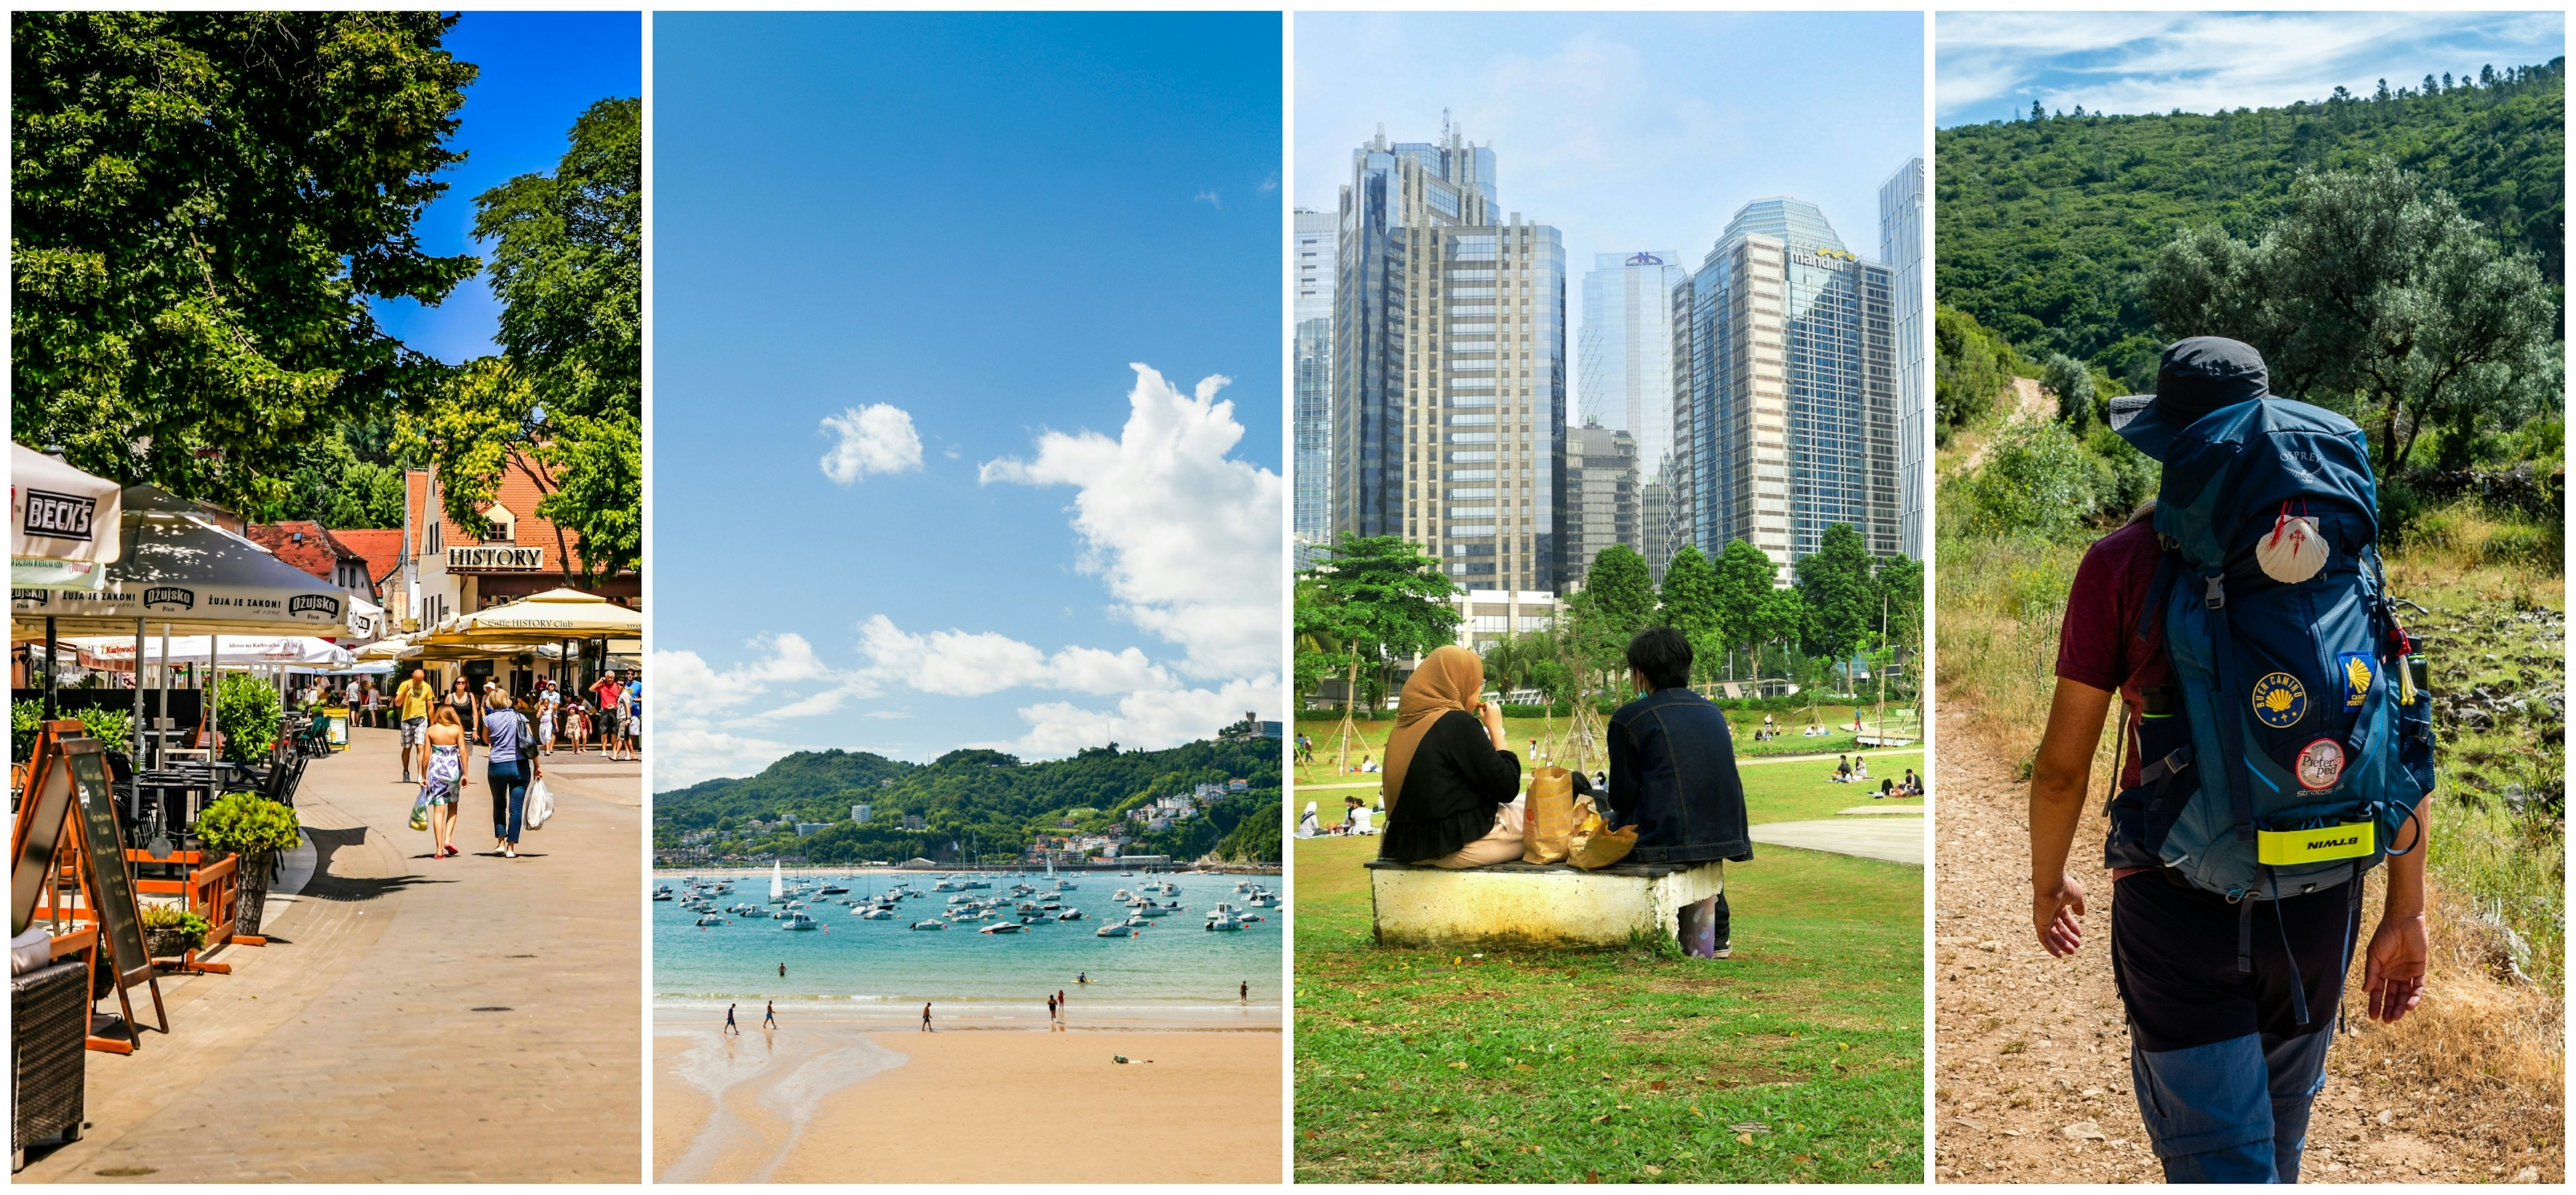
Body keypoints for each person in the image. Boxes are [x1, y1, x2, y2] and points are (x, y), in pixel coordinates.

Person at [2031, 337, 2426, 1183]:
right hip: (2322, 903)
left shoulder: (2120, 564)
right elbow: (2398, 739)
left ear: (2173, 445)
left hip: (2180, 908)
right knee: (2275, 1158)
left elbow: (2064, 766)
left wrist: (2048, 879)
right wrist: (2406, 911)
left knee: (2223, 1171)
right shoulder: (2342, 556)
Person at [1572, 628, 1752, 958]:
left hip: (1665, 838)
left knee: (1594, 812)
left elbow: (1624, 798)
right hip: (1722, 834)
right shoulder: (1712, 711)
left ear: (1639, 673)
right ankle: (1717, 936)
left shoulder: (1630, 718)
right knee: (1695, 845)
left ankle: (1690, 935)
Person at [1376, 645, 1522, 869]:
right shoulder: (1456, 723)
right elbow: (1507, 786)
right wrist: (1496, 729)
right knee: (1543, 819)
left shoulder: (1403, 727)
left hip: (1409, 847)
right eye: (1476, 687)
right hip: (1456, 847)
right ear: (1459, 685)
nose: (1477, 697)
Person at [483, 695, 539, 858]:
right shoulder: (520, 717)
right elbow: (530, 742)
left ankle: (500, 841)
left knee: (499, 804)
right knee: (516, 808)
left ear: (492, 703)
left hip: (497, 766)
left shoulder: (489, 719)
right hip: (519, 766)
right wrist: (537, 766)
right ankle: (511, 848)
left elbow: (486, 739)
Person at [417, 703, 471, 859]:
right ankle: (448, 839)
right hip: (453, 771)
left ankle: (439, 850)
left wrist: (423, 774)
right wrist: (466, 774)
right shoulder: (456, 730)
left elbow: (426, 756)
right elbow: (463, 753)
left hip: (436, 771)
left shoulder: (431, 731)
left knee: (438, 810)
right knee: (453, 806)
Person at [395, 667, 436, 782]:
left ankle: (420, 774)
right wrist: (405, 691)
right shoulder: (405, 685)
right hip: (407, 719)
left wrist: (432, 724)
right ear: (413, 676)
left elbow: (430, 706)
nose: (418, 682)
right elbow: (397, 703)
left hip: (421, 718)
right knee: (407, 748)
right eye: (417, 680)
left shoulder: (427, 687)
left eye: (421, 680)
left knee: (420, 746)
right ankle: (406, 771)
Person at [592, 671, 625, 758]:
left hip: (615, 710)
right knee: (604, 731)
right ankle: (604, 750)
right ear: (605, 678)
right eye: (608, 678)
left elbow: (623, 699)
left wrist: (614, 706)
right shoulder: (602, 686)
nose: (610, 679)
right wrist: (600, 681)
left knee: (614, 731)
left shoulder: (617, 686)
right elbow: (591, 689)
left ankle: (614, 750)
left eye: (611, 678)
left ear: (614, 678)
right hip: (605, 710)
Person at [445, 675, 482, 739]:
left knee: (468, 749)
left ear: (465, 685)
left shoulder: (470, 696)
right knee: (454, 749)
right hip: (454, 729)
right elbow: (445, 714)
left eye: (463, 682)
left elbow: (475, 713)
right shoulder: (450, 697)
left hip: (468, 729)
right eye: (458, 682)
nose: (461, 684)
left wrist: (475, 730)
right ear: (455, 685)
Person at [537, 681, 561, 756]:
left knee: (552, 731)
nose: (552, 686)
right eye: (550, 684)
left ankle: (550, 748)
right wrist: (542, 708)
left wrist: (549, 710)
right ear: (547, 686)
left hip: (553, 713)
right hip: (543, 715)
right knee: (543, 736)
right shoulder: (543, 693)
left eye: (554, 685)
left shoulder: (557, 695)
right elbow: (540, 702)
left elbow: (556, 705)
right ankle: (546, 748)